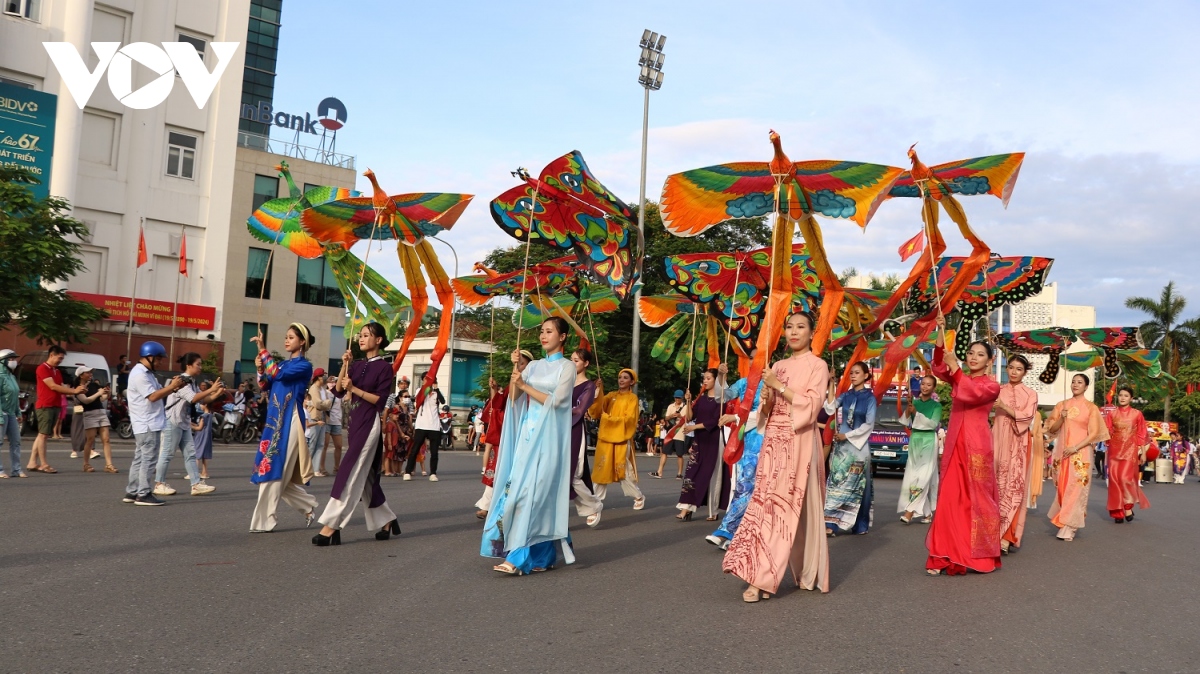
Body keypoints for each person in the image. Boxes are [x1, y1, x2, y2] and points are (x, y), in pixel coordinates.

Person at [724, 311, 830, 601]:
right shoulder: (779, 366)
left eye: (800, 327)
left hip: (799, 442)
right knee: (764, 505)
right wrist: (769, 399)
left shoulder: (818, 366)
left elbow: (811, 405)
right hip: (774, 441)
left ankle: (761, 579)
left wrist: (780, 387)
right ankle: (762, 569)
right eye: (789, 327)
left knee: (783, 510)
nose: (793, 332)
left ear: (811, 333)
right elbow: (768, 412)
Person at [483, 317, 576, 575]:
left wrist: (524, 384)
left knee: (536, 495)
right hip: (527, 436)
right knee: (521, 494)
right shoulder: (533, 366)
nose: (543, 336)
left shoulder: (567, 368)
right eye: (541, 332)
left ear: (563, 336)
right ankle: (544, 556)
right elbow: (514, 398)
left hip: (549, 439)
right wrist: (516, 375)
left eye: (549, 331)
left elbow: (557, 402)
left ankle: (517, 557)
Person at [924, 314, 1002, 575]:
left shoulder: (992, 384)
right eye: (970, 352)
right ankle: (943, 553)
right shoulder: (959, 376)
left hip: (977, 446)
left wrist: (955, 367)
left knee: (977, 499)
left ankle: (977, 554)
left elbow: (972, 392)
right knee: (950, 499)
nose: (973, 357)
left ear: (989, 361)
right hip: (956, 442)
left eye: (980, 354)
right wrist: (939, 333)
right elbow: (939, 368)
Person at [312, 322, 400, 545]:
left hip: (370, 422)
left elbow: (380, 401)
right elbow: (339, 391)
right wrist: (344, 364)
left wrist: (355, 389)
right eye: (360, 336)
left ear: (378, 340)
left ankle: (331, 525)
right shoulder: (356, 363)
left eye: (366, 335)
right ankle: (386, 520)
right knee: (368, 478)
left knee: (350, 471)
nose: (361, 339)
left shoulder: (385, 367)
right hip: (354, 421)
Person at [248, 325, 319, 532]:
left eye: (291, 337)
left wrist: (262, 348)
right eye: (285, 337)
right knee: (278, 472)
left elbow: (277, 374)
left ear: (302, 342)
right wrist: (260, 368)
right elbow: (265, 384)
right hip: (275, 422)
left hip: (290, 422)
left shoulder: (304, 366)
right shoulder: (283, 364)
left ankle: (264, 521)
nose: (286, 340)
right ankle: (307, 506)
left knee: (272, 470)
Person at [1045, 374, 1107, 541]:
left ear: (1086, 387)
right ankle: (1064, 519)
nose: (1075, 384)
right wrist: (1062, 418)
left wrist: (1075, 447)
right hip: (1062, 453)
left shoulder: (1091, 408)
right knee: (1062, 487)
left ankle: (1069, 525)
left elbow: (1093, 433)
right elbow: (1052, 428)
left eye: (1079, 382)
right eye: (1073, 382)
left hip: (1080, 453)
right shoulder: (1061, 406)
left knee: (1076, 488)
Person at [123, 341, 186, 506]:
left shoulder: (147, 373)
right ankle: (143, 493)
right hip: (147, 423)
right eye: (158, 359)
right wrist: (172, 386)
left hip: (147, 422)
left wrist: (173, 386)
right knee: (149, 459)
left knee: (140, 458)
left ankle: (132, 491)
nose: (160, 362)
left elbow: (159, 390)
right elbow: (152, 396)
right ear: (149, 357)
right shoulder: (140, 375)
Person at [706, 370, 765, 550]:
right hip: (745, 439)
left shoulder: (773, 383)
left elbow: (767, 413)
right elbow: (723, 397)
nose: (753, 363)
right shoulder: (745, 382)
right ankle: (734, 533)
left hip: (765, 438)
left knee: (750, 487)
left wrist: (736, 417)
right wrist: (721, 378)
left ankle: (730, 530)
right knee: (742, 486)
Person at [154, 353, 224, 496]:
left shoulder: (192, 382)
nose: (200, 367)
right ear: (188, 365)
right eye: (198, 364)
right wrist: (211, 389)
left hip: (184, 422)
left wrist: (217, 393)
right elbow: (193, 399)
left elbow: (203, 400)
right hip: (172, 421)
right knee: (167, 454)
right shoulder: (181, 381)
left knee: (191, 454)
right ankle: (159, 484)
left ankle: (196, 484)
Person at [992, 355, 1039, 554]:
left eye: (1018, 369)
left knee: (1013, 487)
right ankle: (990, 534)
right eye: (1010, 367)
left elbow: (1028, 416)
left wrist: (1004, 407)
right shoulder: (997, 390)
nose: (1013, 372)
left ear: (1025, 372)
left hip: (1018, 443)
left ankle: (1007, 537)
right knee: (994, 485)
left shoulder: (1030, 394)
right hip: (996, 441)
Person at [823, 361, 877, 535]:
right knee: (836, 483)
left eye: (857, 373)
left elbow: (869, 424)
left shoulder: (870, 398)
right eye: (851, 373)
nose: (853, 375)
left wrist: (847, 435)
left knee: (859, 486)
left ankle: (860, 523)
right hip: (842, 448)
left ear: (866, 375)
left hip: (858, 447)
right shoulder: (845, 396)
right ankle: (831, 524)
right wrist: (831, 383)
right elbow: (830, 408)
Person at [475, 356, 529, 519]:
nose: (519, 366)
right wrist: (494, 389)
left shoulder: (531, 385)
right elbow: (498, 405)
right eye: (517, 363)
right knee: (496, 468)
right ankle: (486, 505)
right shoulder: (510, 385)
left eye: (522, 363)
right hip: (506, 432)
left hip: (523, 433)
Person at [590, 367, 647, 515]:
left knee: (623, 471)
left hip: (622, 438)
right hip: (605, 439)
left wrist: (607, 420)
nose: (621, 380)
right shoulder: (611, 395)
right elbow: (597, 410)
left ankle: (638, 496)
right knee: (601, 468)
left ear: (632, 382)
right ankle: (595, 501)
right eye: (620, 377)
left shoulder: (632, 398)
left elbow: (630, 420)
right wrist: (598, 390)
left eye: (625, 378)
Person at [28, 345, 85, 474]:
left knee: (42, 434)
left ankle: (32, 462)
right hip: (45, 405)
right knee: (43, 435)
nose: (60, 360)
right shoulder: (42, 368)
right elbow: (53, 386)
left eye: (62, 359)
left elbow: (61, 387)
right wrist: (74, 391)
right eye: (59, 358)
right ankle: (43, 464)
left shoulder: (57, 371)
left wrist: (76, 391)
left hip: (55, 405)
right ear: (51, 355)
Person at [675, 369, 722, 521]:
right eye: (704, 378)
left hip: (714, 441)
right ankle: (685, 508)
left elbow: (715, 421)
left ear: (716, 380)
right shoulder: (700, 399)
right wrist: (688, 401)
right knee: (691, 473)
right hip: (699, 441)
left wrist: (694, 427)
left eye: (708, 378)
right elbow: (689, 417)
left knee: (712, 475)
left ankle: (713, 510)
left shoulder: (722, 400)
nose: (705, 381)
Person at [564, 349, 604, 526]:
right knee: (557, 473)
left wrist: (557, 407)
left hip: (574, 429)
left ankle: (594, 504)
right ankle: (588, 507)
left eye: (577, 361)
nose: (573, 363)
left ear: (586, 363)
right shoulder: (564, 381)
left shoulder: (589, 386)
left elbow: (579, 410)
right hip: (556, 429)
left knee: (573, 474)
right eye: (571, 360)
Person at [1103, 385, 1150, 523]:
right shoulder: (1112, 414)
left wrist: (1143, 452)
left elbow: (1142, 433)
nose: (1122, 398)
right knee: (1115, 481)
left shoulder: (1137, 414)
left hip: (1130, 451)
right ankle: (1118, 512)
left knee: (1125, 479)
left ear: (1131, 398)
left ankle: (1128, 507)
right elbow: (1107, 431)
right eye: (1121, 395)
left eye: (1126, 396)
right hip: (1114, 451)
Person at [899, 375, 941, 525]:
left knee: (923, 476)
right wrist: (909, 410)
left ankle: (909, 511)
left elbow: (932, 424)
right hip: (915, 439)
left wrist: (916, 412)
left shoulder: (936, 406)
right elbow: (905, 421)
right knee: (914, 476)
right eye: (923, 384)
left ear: (933, 388)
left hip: (929, 440)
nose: (925, 387)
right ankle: (927, 513)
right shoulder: (914, 403)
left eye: (929, 385)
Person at [73, 366, 116, 473]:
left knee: (106, 439)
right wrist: (99, 393)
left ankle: (109, 464)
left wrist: (107, 393)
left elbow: (101, 399)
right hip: (89, 414)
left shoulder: (94, 384)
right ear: (81, 375)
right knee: (90, 440)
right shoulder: (78, 388)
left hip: (101, 412)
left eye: (91, 372)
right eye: (88, 372)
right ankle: (86, 464)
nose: (91, 374)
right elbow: (86, 400)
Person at [405, 379, 446, 481]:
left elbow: (443, 401)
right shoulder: (420, 390)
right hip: (421, 425)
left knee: (434, 452)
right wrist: (426, 387)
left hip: (434, 426)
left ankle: (433, 473)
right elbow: (418, 399)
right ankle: (407, 472)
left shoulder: (437, 393)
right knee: (415, 449)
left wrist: (436, 389)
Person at [0, 349, 26, 479]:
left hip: (11, 414)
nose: (13, 362)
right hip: (1, 413)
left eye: (14, 359)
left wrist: (18, 412)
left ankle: (16, 469)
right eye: (10, 359)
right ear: (3, 361)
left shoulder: (12, 376)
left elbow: (15, 397)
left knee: (16, 442)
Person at [652, 390, 688, 478]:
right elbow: (666, 417)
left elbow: (688, 418)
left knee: (679, 454)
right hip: (671, 431)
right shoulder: (670, 406)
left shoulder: (686, 407)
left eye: (679, 398)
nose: (677, 399)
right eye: (676, 397)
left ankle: (679, 473)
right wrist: (672, 416)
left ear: (682, 398)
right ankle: (659, 471)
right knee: (664, 451)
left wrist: (680, 416)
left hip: (680, 431)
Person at [304, 369, 332, 478]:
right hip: (314, 418)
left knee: (320, 444)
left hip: (323, 418)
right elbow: (318, 404)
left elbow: (325, 404)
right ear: (317, 377)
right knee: (312, 444)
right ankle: (307, 468)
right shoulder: (313, 389)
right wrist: (326, 403)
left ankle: (316, 469)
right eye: (322, 376)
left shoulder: (323, 390)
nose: (324, 378)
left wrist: (325, 404)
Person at [321, 377, 345, 476]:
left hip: (337, 421)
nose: (332, 384)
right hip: (327, 421)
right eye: (330, 382)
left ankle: (337, 467)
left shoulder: (339, 394)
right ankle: (321, 467)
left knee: (338, 446)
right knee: (325, 445)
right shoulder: (324, 393)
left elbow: (347, 399)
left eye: (334, 382)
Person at [193, 392, 219, 480]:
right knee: (204, 455)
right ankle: (205, 472)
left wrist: (190, 425)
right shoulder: (210, 415)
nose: (200, 405)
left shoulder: (203, 416)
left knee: (196, 454)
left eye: (202, 404)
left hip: (200, 437)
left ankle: (194, 473)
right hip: (207, 437)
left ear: (205, 405)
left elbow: (199, 428)